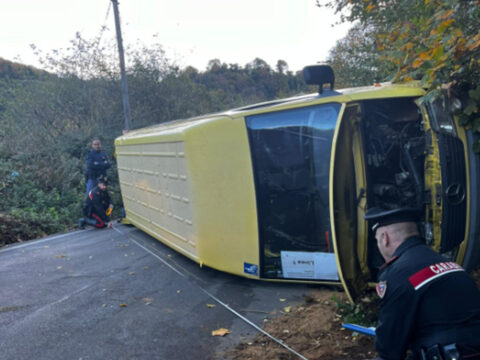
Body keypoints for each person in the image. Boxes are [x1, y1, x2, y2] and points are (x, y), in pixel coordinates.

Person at [364, 207, 480, 360]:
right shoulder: (447, 263)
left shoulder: (398, 273)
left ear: (385, 238)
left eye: (377, 240)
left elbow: (389, 348)